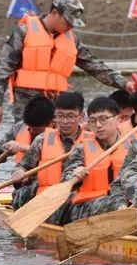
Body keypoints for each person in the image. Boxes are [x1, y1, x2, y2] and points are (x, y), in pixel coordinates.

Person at [0, 0, 137, 127]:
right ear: (54, 13)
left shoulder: (72, 40)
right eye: (68, 22)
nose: (70, 27)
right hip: (27, 105)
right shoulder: (22, 32)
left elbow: (94, 65)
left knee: (56, 145)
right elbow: (2, 69)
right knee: (25, 141)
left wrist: (124, 84)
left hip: (58, 108)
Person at [8, 92, 89, 223]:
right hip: (43, 197)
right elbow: (23, 165)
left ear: (81, 117)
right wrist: (19, 173)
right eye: (60, 116)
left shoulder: (92, 141)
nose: (65, 121)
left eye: (70, 116)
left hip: (75, 199)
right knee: (23, 193)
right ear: (55, 116)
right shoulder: (42, 140)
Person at [61, 97, 137, 222]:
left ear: (118, 119)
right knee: (114, 203)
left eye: (103, 119)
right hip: (86, 206)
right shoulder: (81, 149)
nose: (98, 125)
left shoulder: (134, 147)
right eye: (93, 120)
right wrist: (75, 175)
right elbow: (66, 178)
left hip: (124, 203)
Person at [0, 96, 55, 189]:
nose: (32, 131)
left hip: (52, 187)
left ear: (52, 123)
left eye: (37, 130)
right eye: (30, 128)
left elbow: (54, 154)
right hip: (25, 187)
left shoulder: (56, 133)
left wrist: (23, 147)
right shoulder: (20, 128)